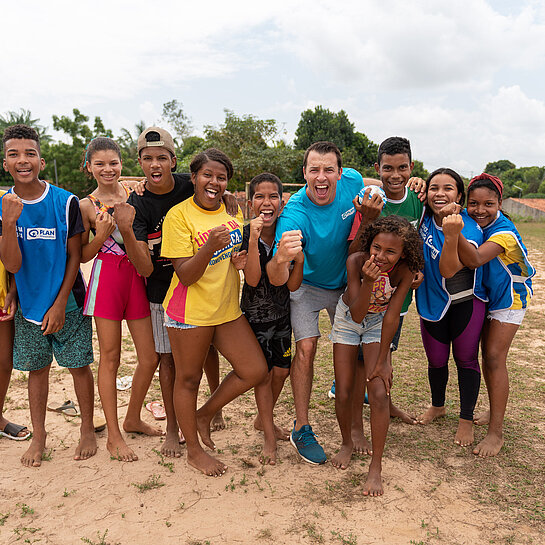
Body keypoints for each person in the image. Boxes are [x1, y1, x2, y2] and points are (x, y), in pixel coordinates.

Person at [118, 127, 230, 459]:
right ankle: (172, 428)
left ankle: (212, 408)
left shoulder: (187, 183)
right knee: (168, 361)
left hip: (201, 284)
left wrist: (229, 197)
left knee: (208, 350)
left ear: (173, 161)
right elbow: (145, 268)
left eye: (162, 158)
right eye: (148, 158)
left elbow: (213, 187)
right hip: (161, 292)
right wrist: (125, 229)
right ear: (139, 162)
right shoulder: (136, 202)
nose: (155, 165)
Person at [161, 148, 268, 476]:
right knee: (189, 379)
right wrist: (209, 246)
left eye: (221, 177)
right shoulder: (178, 216)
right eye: (207, 175)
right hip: (188, 311)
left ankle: (205, 415)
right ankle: (193, 449)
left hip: (225, 309)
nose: (214, 182)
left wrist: (236, 259)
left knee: (254, 369)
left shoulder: (232, 211)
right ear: (193, 178)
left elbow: (232, 256)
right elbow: (187, 275)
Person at [267, 141, 374, 465]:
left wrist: (412, 186)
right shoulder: (294, 213)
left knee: (356, 349)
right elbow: (277, 278)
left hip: (344, 282)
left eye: (329, 169)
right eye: (314, 170)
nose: (322, 176)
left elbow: (375, 185)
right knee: (307, 347)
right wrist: (282, 256)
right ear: (304, 174)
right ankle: (302, 427)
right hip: (307, 286)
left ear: (340, 173)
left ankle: (354, 421)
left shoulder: (353, 182)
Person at [0, 124, 96, 467]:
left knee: (78, 367)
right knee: (36, 371)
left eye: (29, 153)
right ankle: (39, 437)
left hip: (67, 303)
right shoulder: (3, 206)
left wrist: (58, 304)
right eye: (14, 154)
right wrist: (9, 223)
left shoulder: (65, 201)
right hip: (27, 306)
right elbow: (12, 262)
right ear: (6, 162)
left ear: (41, 161)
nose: (22, 160)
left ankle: (87, 429)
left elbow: (74, 256)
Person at [336, 136, 425, 452]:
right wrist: (369, 218)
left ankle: (386, 403)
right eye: (388, 168)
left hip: (397, 298)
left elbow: (417, 241)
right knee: (363, 364)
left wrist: (417, 270)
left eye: (403, 168)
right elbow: (356, 252)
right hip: (365, 297)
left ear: (411, 168)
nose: (395, 175)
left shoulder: (418, 199)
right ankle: (358, 427)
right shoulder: (370, 200)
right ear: (378, 168)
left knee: (385, 357)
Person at [79, 137, 163, 462]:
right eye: (99, 164)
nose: (107, 169)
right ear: (90, 167)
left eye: (112, 162)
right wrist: (99, 236)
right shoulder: (85, 205)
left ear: (121, 164)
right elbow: (83, 256)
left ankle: (132, 417)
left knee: (150, 356)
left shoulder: (135, 194)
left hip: (135, 276)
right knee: (110, 358)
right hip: (107, 278)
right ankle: (114, 436)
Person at [331, 216, 423, 495]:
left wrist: (383, 359)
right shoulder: (356, 262)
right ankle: (347, 442)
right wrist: (369, 281)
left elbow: (393, 314)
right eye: (376, 247)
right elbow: (357, 314)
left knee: (380, 392)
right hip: (349, 318)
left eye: (390, 251)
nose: (380, 256)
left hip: (379, 321)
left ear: (403, 253)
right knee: (345, 391)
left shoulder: (406, 270)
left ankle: (376, 467)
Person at [444, 173, 535, 457]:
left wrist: (453, 232)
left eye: (488, 204)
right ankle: (493, 410)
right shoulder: (481, 223)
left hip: (510, 299)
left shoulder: (503, 233)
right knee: (486, 356)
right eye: (473, 203)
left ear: (499, 204)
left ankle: (496, 433)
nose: (480, 210)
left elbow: (473, 260)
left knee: (495, 359)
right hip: (489, 295)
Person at [415, 168, 487, 447]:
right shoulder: (421, 216)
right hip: (431, 301)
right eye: (434, 188)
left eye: (448, 188)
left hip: (466, 303)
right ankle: (438, 405)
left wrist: (451, 233)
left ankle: (466, 419)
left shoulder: (467, 225)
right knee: (436, 360)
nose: (440, 194)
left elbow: (448, 269)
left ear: (459, 194)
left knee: (466, 359)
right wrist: (414, 181)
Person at [240, 173, 304, 464]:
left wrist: (297, 259)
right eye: (260, 197)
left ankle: (261, 419)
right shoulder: (244, 233)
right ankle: (268, 432)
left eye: (273, 196)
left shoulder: (287, 231)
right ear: (250, 201)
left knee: (281, 371)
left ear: (282, 200)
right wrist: (253, 239)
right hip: (255, 318)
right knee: (263, 376)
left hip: (282, 315)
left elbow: (292, 285)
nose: (266, 203)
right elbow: (252, 279)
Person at [0, 194, 29, 441]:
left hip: (2, 294)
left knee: (3, 360)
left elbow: (17, 251)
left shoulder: (6, 202)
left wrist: (13, 290)